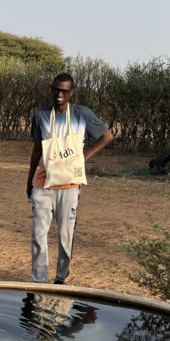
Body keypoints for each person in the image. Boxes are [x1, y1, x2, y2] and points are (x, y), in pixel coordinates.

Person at [26, 74, 114, 284]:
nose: (59, 94)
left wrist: (83, 158)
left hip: (70, 184)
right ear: (51, 89)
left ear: (71, 93)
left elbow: (107, 136)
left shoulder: (81, 114)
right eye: (56, 90)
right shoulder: (41, 115)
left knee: (65, 236)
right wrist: (29, 180)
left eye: (64, 91)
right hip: (43, 183)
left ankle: (60, 278)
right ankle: (39, 280)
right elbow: (37, 148)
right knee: (39, 234)